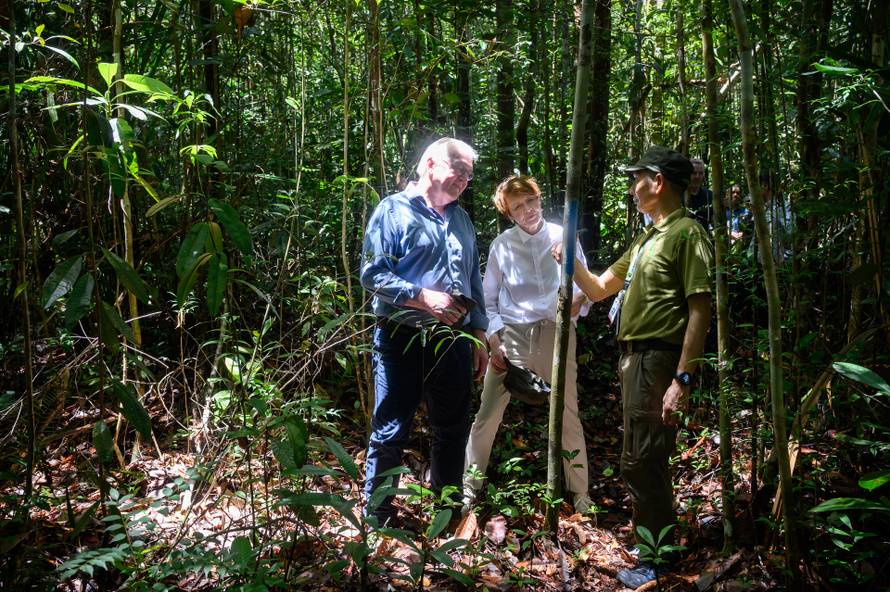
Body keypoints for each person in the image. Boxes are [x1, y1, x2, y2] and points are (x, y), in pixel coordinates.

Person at [553, 146, 713, 588]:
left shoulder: (687, 233)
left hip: (658, 357)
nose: (632, 188)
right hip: (634, 360)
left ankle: (658, 559)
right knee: (639, 456)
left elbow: (700, 308)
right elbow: (599, 288)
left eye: (636, 178)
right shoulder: (646, 239)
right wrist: (569, 260)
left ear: (658, 182)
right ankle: (655, 548)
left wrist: (682, 377)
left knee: (643, 459)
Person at [360, 137, 489, 525]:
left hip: (454, 340)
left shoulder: (462, 220)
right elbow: (372, 275)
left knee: (452, 429)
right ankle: (378, 517)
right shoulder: (392, 211)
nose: (464, 180)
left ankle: (446, 518)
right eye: (459, 170)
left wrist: (479, 334)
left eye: (469, 175)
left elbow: (474, 279)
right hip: (401, 336)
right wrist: (422, 297)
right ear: (431, 164)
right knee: (391, 429)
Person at [464, 175, 593, 515]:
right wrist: (495, 340)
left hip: (556, 334)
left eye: (530, 201)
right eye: (517, 207)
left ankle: (581, 495)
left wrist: (577, 303)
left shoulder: (563, 235)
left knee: (568, 414)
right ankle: (468, 490)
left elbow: (587, 288)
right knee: (487, 415)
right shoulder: (502, 245)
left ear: (539, 199)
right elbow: (488, 302)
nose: (527, 211)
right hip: (513, 338)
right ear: (508, 213)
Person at [685, 157, 713, 232]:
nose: (697, 176)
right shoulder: (678, 195)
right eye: (694, 173)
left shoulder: (709, 195)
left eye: (700, 173)